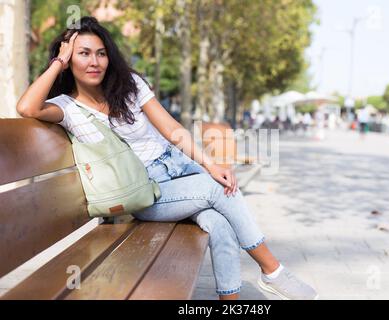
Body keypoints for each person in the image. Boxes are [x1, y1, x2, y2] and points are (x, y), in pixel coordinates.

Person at [16, 16, 318, 300]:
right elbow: (27, 108)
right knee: (217, 191)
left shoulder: (129, 85)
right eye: (83, 53)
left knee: (220, 219)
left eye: (101, 53)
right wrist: (59, 60)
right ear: (68, 59)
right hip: (146, 192)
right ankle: (272, 271)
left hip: (179, 167)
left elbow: (172, 129)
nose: (94, 62)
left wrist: (211, 164)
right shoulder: (66, 107)